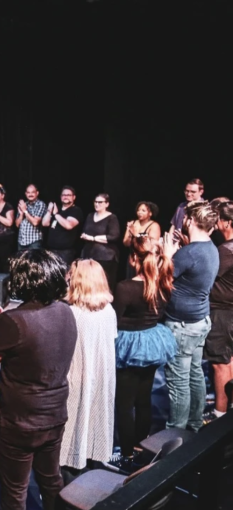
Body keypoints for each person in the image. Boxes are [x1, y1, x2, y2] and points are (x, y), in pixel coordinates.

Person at [0, 250, 76, 510]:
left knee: (14, 492)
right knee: (51, 480)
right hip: (55, 416)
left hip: (20, 423)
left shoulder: (12, 321)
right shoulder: (66, 311)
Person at [111, 236, 176, 468]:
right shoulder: (164, 281)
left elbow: (114, 321)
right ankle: (140, 446)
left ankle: (127, 454)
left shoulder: (125, 287)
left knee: (125, 403)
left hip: (129, 347)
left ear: (133, 259)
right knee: (143, 399)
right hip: (152, 343)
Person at [162, 200, 220, 431]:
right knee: (195, 374)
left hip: (183, 326)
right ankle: (194, 428)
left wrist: (167, 255)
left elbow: (161, 280)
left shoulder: (190, 253)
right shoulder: (210, 247)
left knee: (178, 382)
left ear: (191, 220)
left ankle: (175, 435)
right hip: (199, 321)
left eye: (186, 217)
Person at [60, 260, 117, 480]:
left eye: (71, 275)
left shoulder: (72, 313)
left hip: (78, 376)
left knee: (75, 424)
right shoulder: (109, 310)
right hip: (102, 377)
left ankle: (72, 476)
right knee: (94, 420)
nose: (68, 278)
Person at [205, 201, 233, 419]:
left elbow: (205, 276)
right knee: (229, 360)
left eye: (218, 220)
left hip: (222, 313)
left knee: (220, 364)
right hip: (228, 311)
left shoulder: (225, 251)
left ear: (227, 222)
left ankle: (219, 415)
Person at [81, 193, 121, 287]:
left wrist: (93, 238)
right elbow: (85, 231)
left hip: (105, 256)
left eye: (100, 202)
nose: (97, 204)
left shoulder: (112, 218)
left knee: (103, 283)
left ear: (107, 204)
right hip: (89, 254)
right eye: (95, 202)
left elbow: (114, 236)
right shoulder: (90, 216)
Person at [42, 185, 84, 266]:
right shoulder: (56, 208)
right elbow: (45, 223)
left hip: (65, 253)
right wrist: (49, 211)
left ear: (74, 197)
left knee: (64, 273)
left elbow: (68, 225)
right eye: (63, 195)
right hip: (51, 251)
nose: (65, 197)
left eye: (68, 195)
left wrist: (56, 214)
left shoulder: (76, 210)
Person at [122, 202, 161, 278]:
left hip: (146, 259)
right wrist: (130, 235)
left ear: (150, 213)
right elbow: (125, 243)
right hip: (133, 258)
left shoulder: (154, 225)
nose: (139, 212)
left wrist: (136, 234)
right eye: (138, 210)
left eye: (143, 210)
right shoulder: (133, 223)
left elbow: (152, 245)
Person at [15, 183, 47, 251]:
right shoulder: (24, 204)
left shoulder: (40, 204)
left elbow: (35, 222)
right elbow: (17, 224)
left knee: (34, 258)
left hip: (34, 242)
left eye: (33, 192)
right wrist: (21, 214)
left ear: (37, 193)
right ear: (25, 194)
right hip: (21, 242)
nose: (30, 194)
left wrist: (25, 211)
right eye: (28, 192)